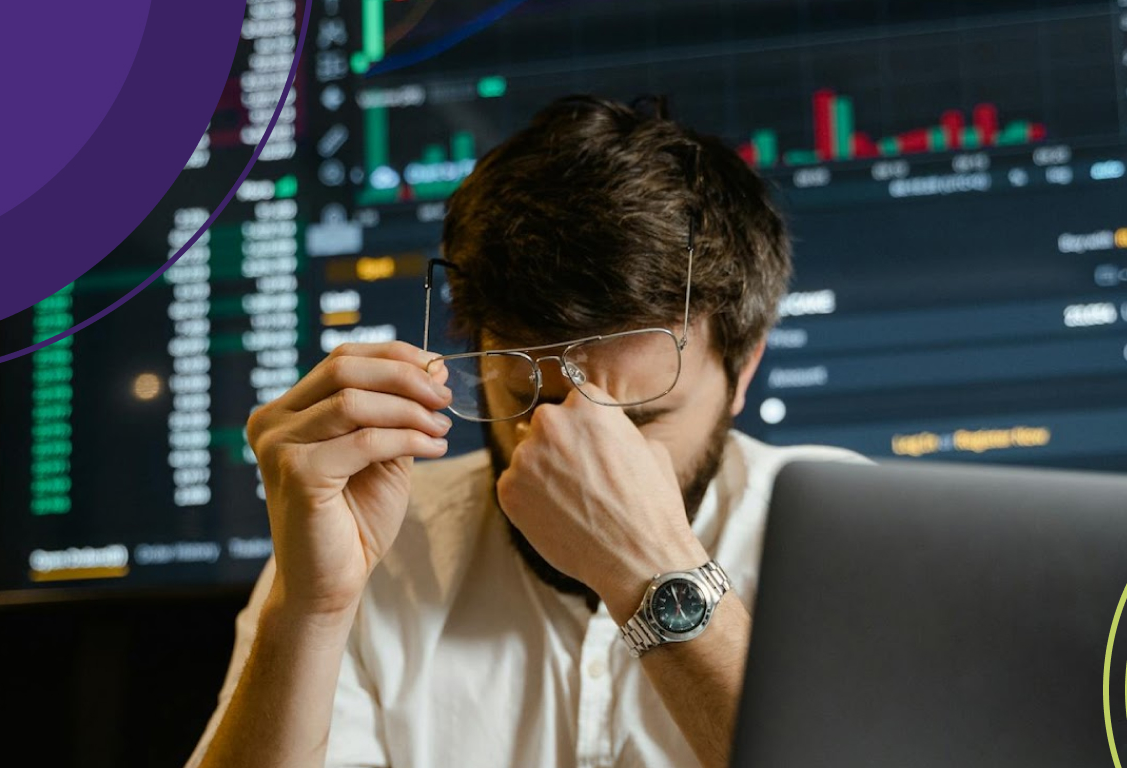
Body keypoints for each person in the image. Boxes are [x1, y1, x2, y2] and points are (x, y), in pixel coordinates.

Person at [186, 95, 868, 768]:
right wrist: (311, 611)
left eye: (642, 417)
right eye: (526, 397)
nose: (577, 458)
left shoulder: (853, 541)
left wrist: (655, 573)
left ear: (744, 370)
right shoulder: (370, 548)